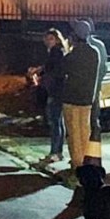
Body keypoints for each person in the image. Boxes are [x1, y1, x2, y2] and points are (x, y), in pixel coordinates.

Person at [62, 20, 101, 169]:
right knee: (85, 130)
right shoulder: (94, 53)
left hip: (71, 97)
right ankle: (85, 160)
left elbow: (62, 71)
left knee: (73, 132)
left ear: (74, 36)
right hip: (87, 98)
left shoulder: (72, 55)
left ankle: (77, 162)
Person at [83, 18, 109, 163]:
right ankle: (93, 155)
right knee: (93, 121)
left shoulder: (84, 47)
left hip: (83, 92)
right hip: (95, 90)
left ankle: (87, 155)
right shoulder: (100, 45)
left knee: (84, 123)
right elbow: (104, 68)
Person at [41, 28, 68, 163]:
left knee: (55, 122)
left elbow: (55, 71)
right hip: (58, 91)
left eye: (51, 39)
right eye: (47, 39)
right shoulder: (58, 52)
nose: (48, 41)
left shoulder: (56, 52)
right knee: (58, 121)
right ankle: (58, 151)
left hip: (56, 91)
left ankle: (55, 151)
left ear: (57, 40)